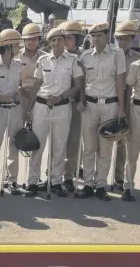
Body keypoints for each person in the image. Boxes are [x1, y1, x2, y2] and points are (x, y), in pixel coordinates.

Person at [24, 28, 83, 198]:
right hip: (42, 106)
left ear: (65, 41)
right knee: (38, 146)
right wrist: (29, 108)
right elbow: (36, 85)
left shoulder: (73, 60)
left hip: (63, 106)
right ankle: (32, 181)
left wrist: (62, 96)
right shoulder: (43, 60)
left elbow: (78, 85)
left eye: (59, 40)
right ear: (49, 43)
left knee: (59, 146)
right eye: (53, 40)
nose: (56, 43)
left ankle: (56, 181)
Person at [75, 23, 126, 201]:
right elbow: (81, 82)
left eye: (99, 35)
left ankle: (101, 185)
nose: (96, 39)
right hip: (90, 105)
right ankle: (88, 184)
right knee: (88, 147)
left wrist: (121, 108)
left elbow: (120, 82)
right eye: (93, 36)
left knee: (105, 148)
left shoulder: (116, 55)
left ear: (107, 36)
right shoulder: (85, 56)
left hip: (110, 105)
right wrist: (81, 100)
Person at [0, 29, 24, 196]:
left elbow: (22, 85)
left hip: (15, 109)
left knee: (14, 145)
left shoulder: (20, 66)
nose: (18, 48)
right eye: (16, 45)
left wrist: (19, 93)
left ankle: (12, 180)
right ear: (8, 47)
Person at [112, 21, 140, 192]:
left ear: (132, 39)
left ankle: (119, 177)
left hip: (129, 103)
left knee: (124, 141)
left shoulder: (137, 59)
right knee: (104, 139)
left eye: (124, 39)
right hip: (110, 100)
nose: (120, 42)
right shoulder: (112, 56)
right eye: (118, 39)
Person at [58, 21, 86, 191]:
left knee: (74, 142)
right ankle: (54, 174)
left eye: (69, 38)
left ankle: (69, 176)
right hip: (59, 104)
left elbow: (84, 83)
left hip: (75, 104)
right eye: (64, 38)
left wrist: (82, 100)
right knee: (57, 141)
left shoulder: (83, 58)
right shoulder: (55, 55)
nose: (65, 41)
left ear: (77, 39)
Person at [124, 36, 140, 200]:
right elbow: (128, 90)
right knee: (133, 150)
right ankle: (128, 186)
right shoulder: (136, 66)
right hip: (137, 108)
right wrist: (124, 114)